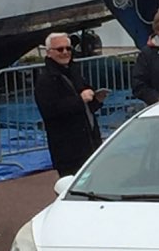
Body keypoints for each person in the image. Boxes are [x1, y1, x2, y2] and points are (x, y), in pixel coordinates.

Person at [34, 32, 107, 176]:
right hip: (67, 148)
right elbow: (50, 110)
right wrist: (80, 100)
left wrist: (96, 100)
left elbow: (86, 103)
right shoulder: (46, 80)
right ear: (49, 53)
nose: (65, 52)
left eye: (68, 49)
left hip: (89, 141)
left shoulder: (74, 70)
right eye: (60, 49)